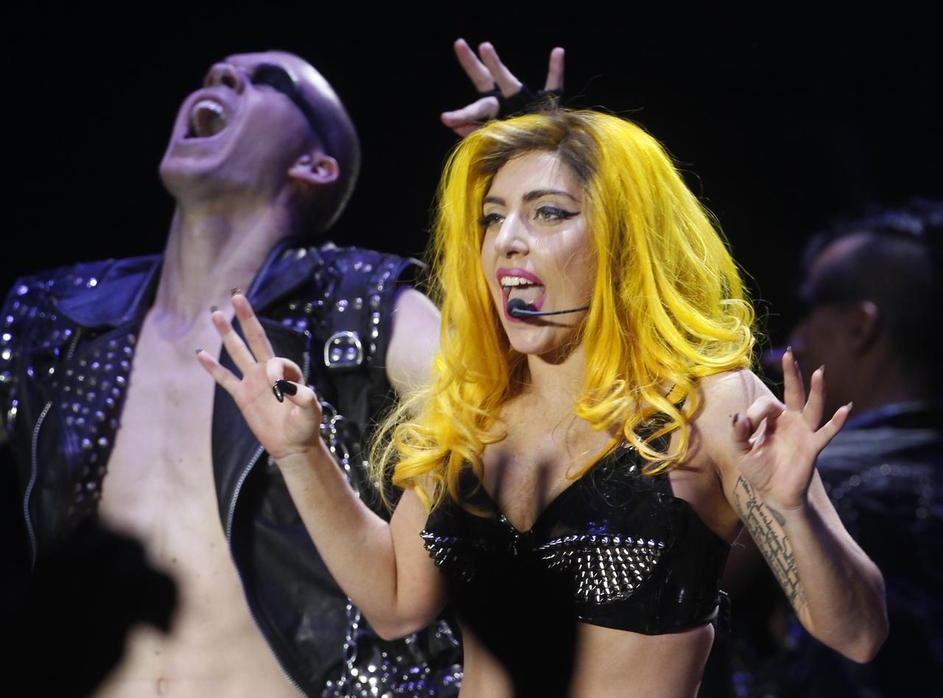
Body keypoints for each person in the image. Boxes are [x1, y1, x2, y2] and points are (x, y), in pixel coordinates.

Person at [200, 109, 889, 697]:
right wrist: (300, 452)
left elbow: (857, 635)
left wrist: (792, 511)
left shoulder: (708, 404)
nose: (505, 242)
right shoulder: (471, 411)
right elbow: (396, 602)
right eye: (491, 218)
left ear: (623, 238)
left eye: (548, 212)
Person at [0, 43, 561, 697]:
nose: (220, 74)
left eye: (265, 80)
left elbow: (525, 390)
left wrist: (547, 168)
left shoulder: (364, 304)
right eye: (215, 72)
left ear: (314, 164)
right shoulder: (54, 317)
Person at [724, 200, 943, 698]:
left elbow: (669, 603)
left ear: (860, 327)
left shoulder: (805, 480)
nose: (783, 348)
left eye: (807, 310)